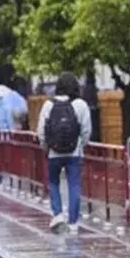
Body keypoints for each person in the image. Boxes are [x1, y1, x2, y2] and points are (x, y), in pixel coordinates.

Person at [37, 72, 92, 234]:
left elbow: (41, 131)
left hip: (53, 153)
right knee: (74, 184)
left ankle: (58, 214)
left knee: (53, 182)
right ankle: (73, 222)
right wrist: (81, 145)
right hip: (74, 153)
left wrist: (46, 147)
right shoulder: (80, 105)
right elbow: (86, 130)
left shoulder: (48, 105)